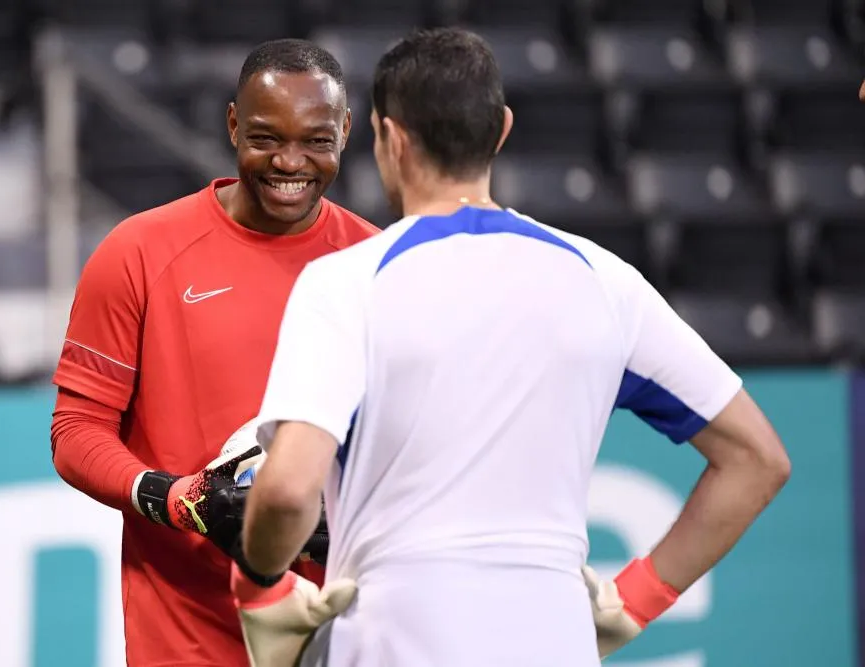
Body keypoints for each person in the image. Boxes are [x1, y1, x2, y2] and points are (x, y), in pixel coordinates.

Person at [229, 27, 792, 666]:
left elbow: (285, 492)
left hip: (394, 637)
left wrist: (260, 589)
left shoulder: (347, 282)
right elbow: (756, 459)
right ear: (500, 129)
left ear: (390, 138)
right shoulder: (605, 282)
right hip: (553, 641)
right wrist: (633, 600)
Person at [49, 38, 378, 667]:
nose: (290, 162)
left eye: (316, 140)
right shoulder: (138, 252)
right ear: (232, 125)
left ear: (346, 130)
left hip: (340, 634)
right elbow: (76, 433)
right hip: (185, 638)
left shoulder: (376, 267)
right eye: (264, 137)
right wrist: (177, 500)